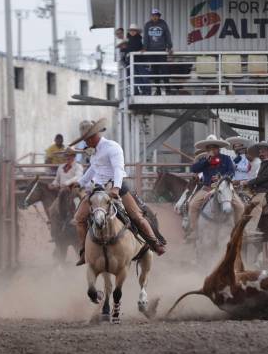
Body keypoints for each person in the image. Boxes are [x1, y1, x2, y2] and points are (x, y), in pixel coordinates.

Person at [69, 119, 166, 265]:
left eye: (85, 139)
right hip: (97, 190)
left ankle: (155, 243)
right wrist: (80, 182)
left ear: (92, 137)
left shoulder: (112, 147)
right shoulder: (93, 151)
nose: (85, 143)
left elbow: (118, 169)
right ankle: (84, 252)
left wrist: (116, 187)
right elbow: (93, 168)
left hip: (116, 186)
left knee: (137, 216)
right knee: (79, 218)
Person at [187, 135, 240, 239]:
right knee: (192, 205)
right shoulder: (203, 159)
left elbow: (231, 171)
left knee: (240, 206)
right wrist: (206, 161)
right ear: (206, 149)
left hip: (224, 188)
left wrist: (222, 177)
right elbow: (194, 169)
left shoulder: (226, 158)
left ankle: (239, 230)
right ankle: (194, 231)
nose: (212, 150)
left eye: (214, 147)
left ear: (218, 148)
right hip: (207, 189)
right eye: (209, 148)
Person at [240, 138, 268, 235]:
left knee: (255, 204)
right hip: (263, 189)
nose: (264, 152)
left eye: (266, 150)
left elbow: (261, 179)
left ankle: (251, 230)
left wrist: (247, 183)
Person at [143, 8, 173, 93]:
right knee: (154, 70)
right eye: (153, 15)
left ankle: (168, 89)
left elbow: (168, 35)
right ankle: (158, 89)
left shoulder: (163, 24)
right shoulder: (147, 25)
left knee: (164, 69)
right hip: (151, 51)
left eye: (156, 15)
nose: (155, 17)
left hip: (161, 50)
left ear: (159, 16)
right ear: (151, 16)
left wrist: (169, 47)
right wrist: (145, 47)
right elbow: (146, 37)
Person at [120, 24, 148, 96]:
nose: (132, 32)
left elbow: (141, 48)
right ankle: (136, 91)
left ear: (136, 32)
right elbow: (122, 51)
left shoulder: (139, 39)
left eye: (134, 30)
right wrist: (123, 60)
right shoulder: (126, 40)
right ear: (129, 31)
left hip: (138, 61)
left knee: (139, 77)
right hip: (129, 62)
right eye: (131, 30)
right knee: (129, 77)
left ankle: (144, 91)